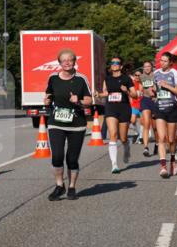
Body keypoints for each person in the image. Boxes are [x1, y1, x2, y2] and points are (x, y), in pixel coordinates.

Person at [43, 49, 93, 200]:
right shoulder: (53, 78)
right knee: (57, 156)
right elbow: (49, 94)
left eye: (70, 60)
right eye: (63, 60)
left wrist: (78, 101)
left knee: (72, 158)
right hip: (56, 122)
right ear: (59, 63)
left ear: (74, 62)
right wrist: (46, 101)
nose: (67, 62)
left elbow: (89, 101)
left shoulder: (81, 79)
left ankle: (71, 186)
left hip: (76, 123)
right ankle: (59, 185)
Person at [95, 56, 137, 174]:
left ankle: (126, 146)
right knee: (113, 134)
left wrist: (126, 91)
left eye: (116, 62)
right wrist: (98, 95)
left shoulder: (126, 79)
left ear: (121, 66)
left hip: (124, 108)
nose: (114, 64)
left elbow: (135, 95)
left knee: (122, 137)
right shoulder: (107, 79)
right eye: (112, 62)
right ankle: (114, 164)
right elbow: (106, 93)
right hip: (111, 108)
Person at [150, 52, 177, 178]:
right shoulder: (155, 74)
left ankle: (172, 159)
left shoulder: (174, 73)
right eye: (161, 60)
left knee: (171, 140)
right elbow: (153, 91)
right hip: (159, 108)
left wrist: (167, 86)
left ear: (170, 62)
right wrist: (153, 91)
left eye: (165, 61)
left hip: (172, 109)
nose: (162, 63)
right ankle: (163, 167)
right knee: (161, 138)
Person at [138, 61, 157, 156]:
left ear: (151, 67)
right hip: (145, 100)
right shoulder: (141, 77)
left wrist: (154, 90)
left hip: (155, 101)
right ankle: (146, 147)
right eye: (145, 66)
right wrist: (140, 92)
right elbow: (141, 87)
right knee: (146, 124)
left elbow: (159, 87)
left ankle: (157, 144)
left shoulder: (156, 75)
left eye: (148, 66)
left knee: (155, 127)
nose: (147, 68)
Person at [128, 69, 143, 141]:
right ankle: (137, 132)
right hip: (134, 104)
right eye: (136, 75)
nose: (137, 76)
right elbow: (129, 93)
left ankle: (141, 136)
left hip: (142, 105)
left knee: (143, 122)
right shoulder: (132, 83)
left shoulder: (143, 83)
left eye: (139, 75)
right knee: (133, 121)